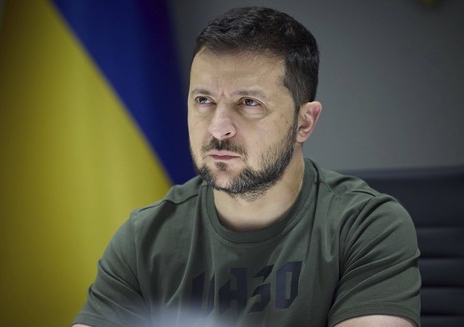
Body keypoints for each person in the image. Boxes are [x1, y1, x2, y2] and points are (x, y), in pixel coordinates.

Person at [73, 6, 420, 327]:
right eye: (204, 100)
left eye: (249, 102)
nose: (218, 127)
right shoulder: (144, 238)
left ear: (304, 122)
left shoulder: (369, 228)